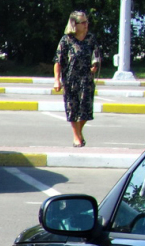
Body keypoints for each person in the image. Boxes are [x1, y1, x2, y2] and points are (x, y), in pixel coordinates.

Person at [53, 10, 101, 147]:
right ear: (75, 24)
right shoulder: (66, 39)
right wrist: (57, 80)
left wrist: (95, 64)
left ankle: (79, 131)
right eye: (83, 22)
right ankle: (77, 137)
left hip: (86, 79)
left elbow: (96, 54)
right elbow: (58, 61)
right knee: (73, 109)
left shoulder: (90, 38)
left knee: (85, 110)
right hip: (70, 79)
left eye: (87, 21)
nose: (86, 24)